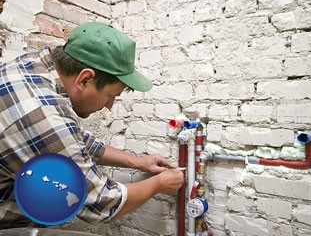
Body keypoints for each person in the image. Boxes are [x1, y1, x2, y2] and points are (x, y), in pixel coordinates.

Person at [0, 22, 184, 228]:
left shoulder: (36, 67)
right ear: (85, 79)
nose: (109, 106)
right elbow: (102, 202)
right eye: (110, 96)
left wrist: (138, 162)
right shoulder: (42, 113)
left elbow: (77, 141)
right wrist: (160, 183)